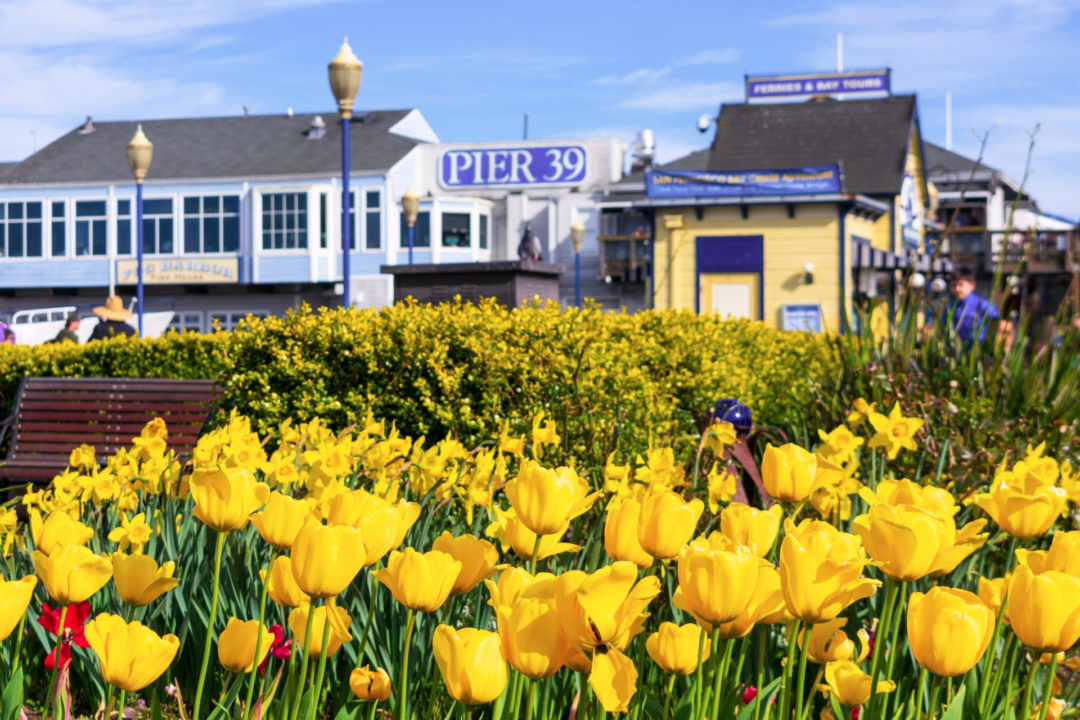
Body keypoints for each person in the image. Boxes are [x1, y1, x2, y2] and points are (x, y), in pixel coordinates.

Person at [944, 266, 999, 343]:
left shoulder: (982, 304)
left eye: (961, 285)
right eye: (953, 285)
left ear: (972, 285)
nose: (957, 289)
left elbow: (997, 323)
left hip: (977, 349)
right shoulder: (949, 305)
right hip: (954, 348)